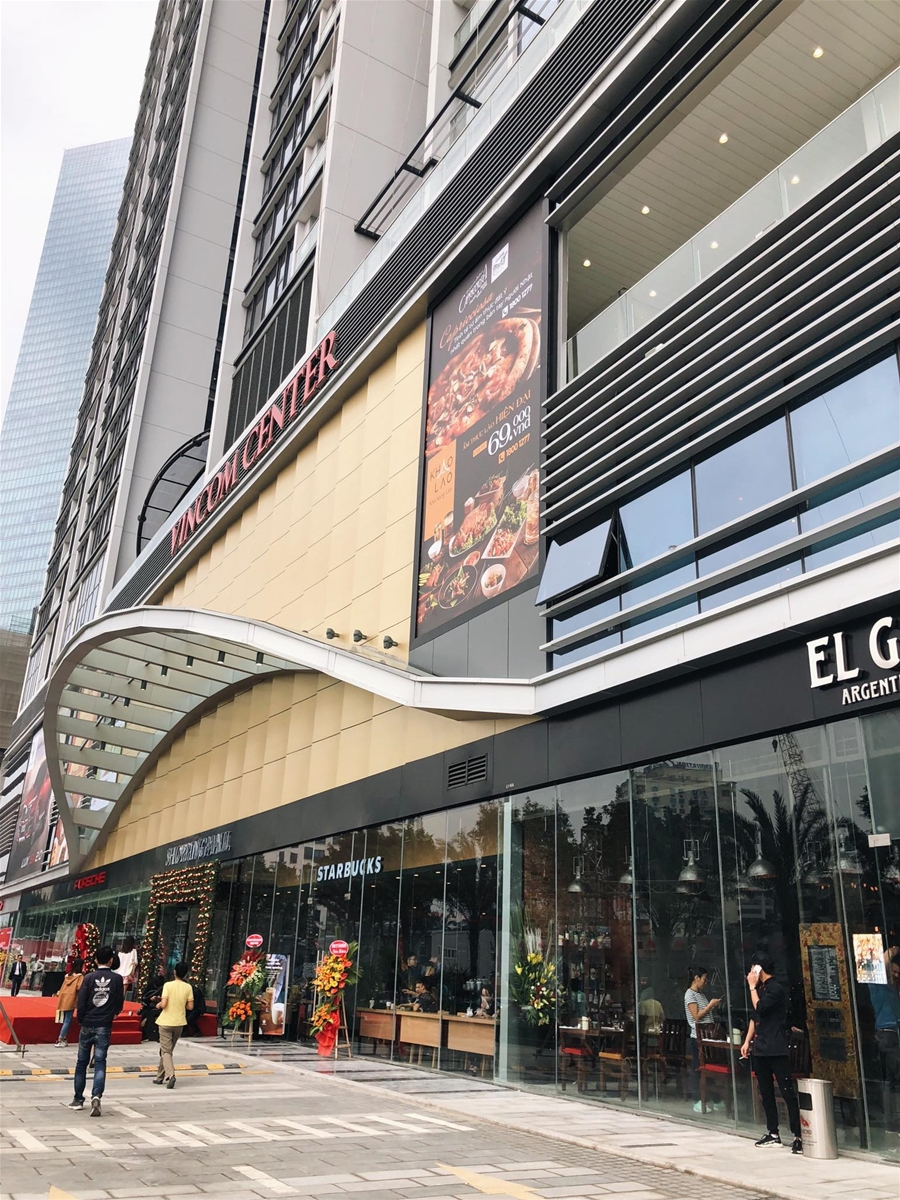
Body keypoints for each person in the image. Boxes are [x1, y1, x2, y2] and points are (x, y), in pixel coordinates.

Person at [741, 952, 802, 1153]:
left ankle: (798, 1134)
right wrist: (747, 1041)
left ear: (759, 969)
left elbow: (760, 1007)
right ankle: (773, 1132)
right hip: (760, 1047)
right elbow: (754, 1017)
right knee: (766, 1092)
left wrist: (752, 987)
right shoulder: (760, 989)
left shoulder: (777, 989)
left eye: (753, 969)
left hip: (775, 1046)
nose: (750, 973)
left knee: (786, 1091)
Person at [69, 945, 124, 1117]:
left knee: (81, 1063)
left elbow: (81, 1001)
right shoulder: (117, 979)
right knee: (100, 1062)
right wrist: (113, 1013)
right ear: (111, 960)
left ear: (95, 960)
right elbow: (119, 1001)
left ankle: (78, 1099)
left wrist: (82, 1019)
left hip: (87, 1023)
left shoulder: (89, 977)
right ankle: (96, 1095)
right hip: (104, 1025)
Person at [867, 945, 900, 1132]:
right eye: (893, 972)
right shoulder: (878, 986)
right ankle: (893, 1120)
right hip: (887, 1034)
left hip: (893, 1032)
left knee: (894, 1078)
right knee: (893, 1078)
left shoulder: (894, 991)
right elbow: (879, 964)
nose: (896, 975)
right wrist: (893, 950)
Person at [684, 964, 722, 1112]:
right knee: (697, 1068)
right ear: (696, 978)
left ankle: (714, 1098)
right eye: (704, 979)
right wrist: (710, 1006)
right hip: (697, 1037)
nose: (706, 982)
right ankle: (697, 1099)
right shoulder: (690, 994)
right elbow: (696, 1016)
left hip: (708, 1037)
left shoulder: (701, 994)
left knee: (708, 1069)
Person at [154, 961, 194, 1089]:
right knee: (167, 1050)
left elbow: (164, 1004)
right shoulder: (188, 987)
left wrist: (158, 1005)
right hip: (179, 1023)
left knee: (166, 1051)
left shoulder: (168, 985)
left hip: (165, 1022)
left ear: (174, 972)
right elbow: (190, 1006)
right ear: (186, 974)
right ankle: (159, 1077)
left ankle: (171, 1075)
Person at [55, 958, 84, 1046]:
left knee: (65, 1019)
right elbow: (79, 987)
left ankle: (63, 1038)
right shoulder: (80, 977)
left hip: (64, 998)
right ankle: (61, 1038)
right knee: (67, 1020)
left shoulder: (67, 976)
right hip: (71, 998)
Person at [139, 974, 166, 1041]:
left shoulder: (165, 988)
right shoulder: (150, 987)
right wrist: (150, 998)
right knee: (144, 1014)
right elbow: (144, 998)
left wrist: (160, 999)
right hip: (149, 1006)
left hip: (160, 1007)